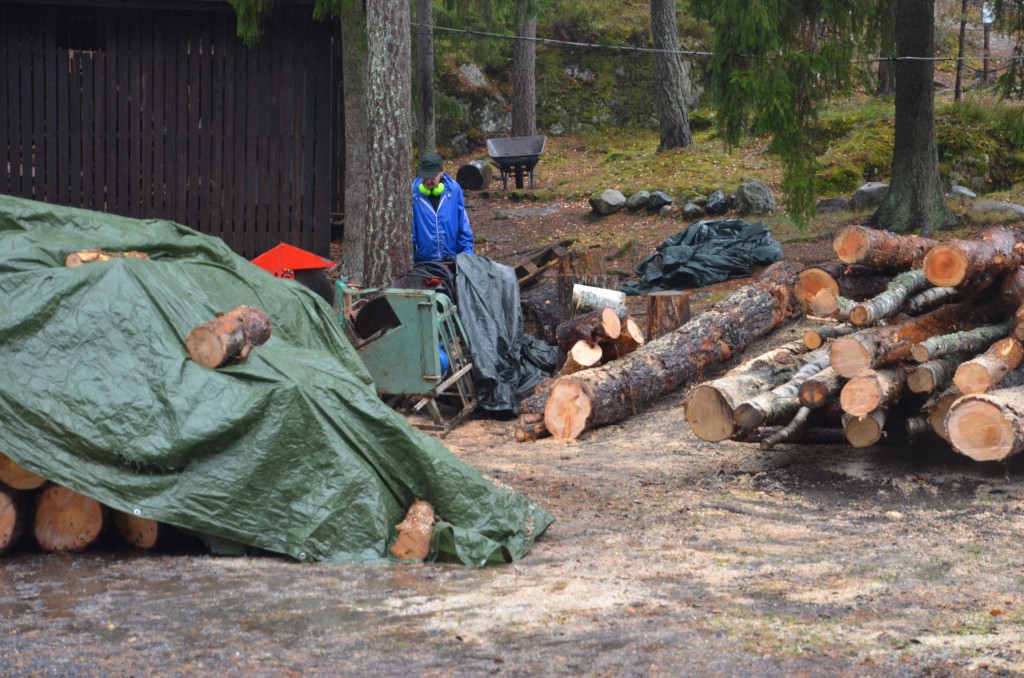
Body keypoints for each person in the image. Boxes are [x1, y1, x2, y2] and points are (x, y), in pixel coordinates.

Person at [411, 152, 475, 264]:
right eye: (424, 176)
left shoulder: (454, 190)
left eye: (431, 177)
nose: (427, 181)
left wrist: (467, 254)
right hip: (421, 263)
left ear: (441, 172)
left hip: (451, 260)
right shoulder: (412, 193)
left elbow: (463, 225)